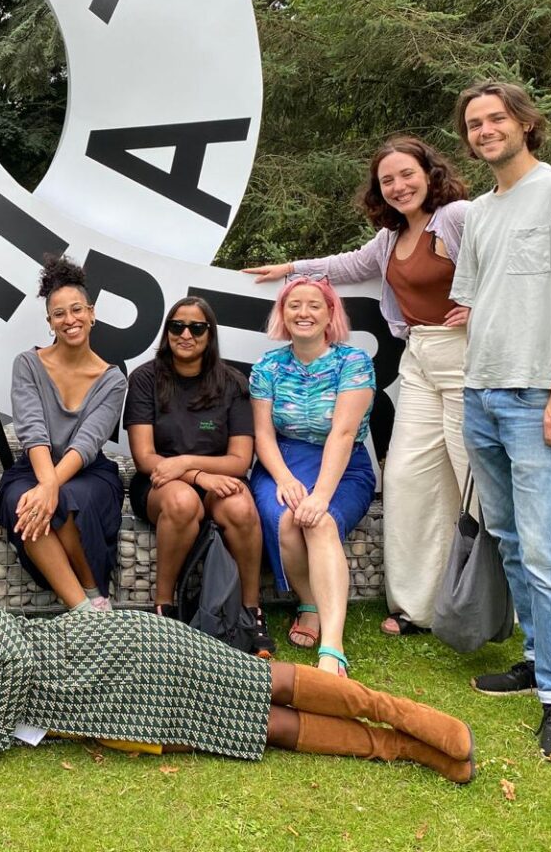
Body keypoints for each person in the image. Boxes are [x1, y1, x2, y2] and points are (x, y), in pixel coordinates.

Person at [0, 564, 475, 783]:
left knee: (256, 682)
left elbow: (16, 662)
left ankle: (402, 715)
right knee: (258, 729)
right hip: (109, 713)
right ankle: (401, 749)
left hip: (118, 651)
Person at [245, 137, 471, 638]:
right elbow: (346, 265)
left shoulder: (456, 217)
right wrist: (291, 270)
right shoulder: (392, 238)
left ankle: (483, 602)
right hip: (420, 355)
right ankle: (416, 608)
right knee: (408, 481)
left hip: (466, 354)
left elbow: (505, 263)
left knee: (474, 483)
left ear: (430, 173)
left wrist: (479, 307)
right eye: (387, 180)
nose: (398, 186)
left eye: (407, 174)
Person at [450, 80, 551, 764]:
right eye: (474, 124)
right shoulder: (480, 212)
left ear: (524, 124)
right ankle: (539, 662)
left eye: (496, 119)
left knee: (544, 549)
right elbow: (474, 300)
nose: (485, 130)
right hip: (480, 393)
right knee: (510, 538)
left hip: (539, 395)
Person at [124, 296, 272, 654]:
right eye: (177, 326)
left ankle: (250, 613)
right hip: (160, 483)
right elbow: (145, 458)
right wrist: (196, 476)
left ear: (210, 334)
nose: (185, 335)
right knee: (182, 501)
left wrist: (187, 464)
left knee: (240, 507)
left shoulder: (233, 382)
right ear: (167, 332)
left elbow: (240, 460)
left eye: (196, 328)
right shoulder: (145, 378)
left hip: (217, 477)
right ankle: (165, 608)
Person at [249, 277, 376, 675]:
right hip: (282, 462)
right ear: (282, 314)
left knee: (319, 521)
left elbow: (343, 433)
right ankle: (309, 602)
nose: (303, 313)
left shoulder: (354, 362)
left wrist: (320, 494)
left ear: (330, 313)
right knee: (288, 519)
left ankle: (332, 647)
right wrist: (284, 479)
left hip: (342, 465)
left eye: (314, 305)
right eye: (294, 305)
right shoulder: (267, 367)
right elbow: (263, 435)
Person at [0, 256, 127, 612]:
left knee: (66, 501)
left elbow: (88, 442)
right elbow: (32, 430)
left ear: (92, 314)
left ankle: (93, 591)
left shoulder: (113, 380)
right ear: (50, 322)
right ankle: (85, 609)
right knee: (24, 502)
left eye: (77, 310)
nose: (70, 320)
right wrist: (45, 485)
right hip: (34, 466)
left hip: (88, 471)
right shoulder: (28, 364)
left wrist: (50, 488)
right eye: (59, 314)